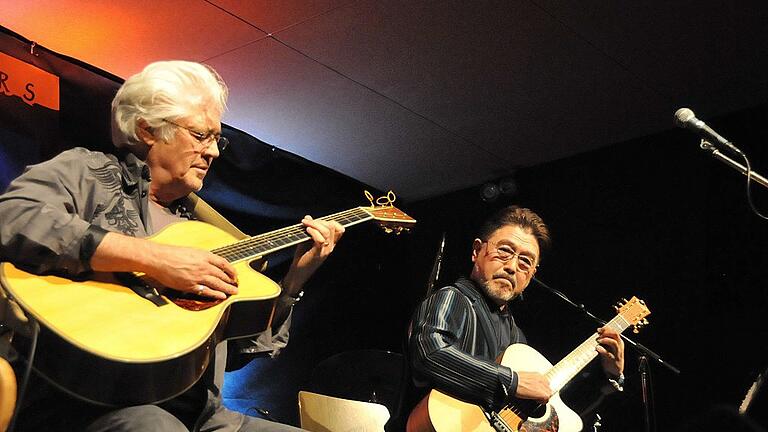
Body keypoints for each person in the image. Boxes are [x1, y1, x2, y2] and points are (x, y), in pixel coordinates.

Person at [0, 60, 344, 431]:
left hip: (204, 414)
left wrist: (293, 282)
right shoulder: (88, 173)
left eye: (217, 139)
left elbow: (240, 353)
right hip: (91, 403)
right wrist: (155, 260)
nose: (213, 152)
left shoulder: (203, 232)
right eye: (201, 135)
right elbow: (15, 216)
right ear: (148, 129)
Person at [405, 206, 624, 430]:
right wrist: (512, 381)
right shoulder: (454, 298)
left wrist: (610, 374)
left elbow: (558, 413)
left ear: (531, 275)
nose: (511, 267)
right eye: (504, 251)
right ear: (476, 251)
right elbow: (429, 353)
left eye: (525, 262)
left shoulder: (516, 336)